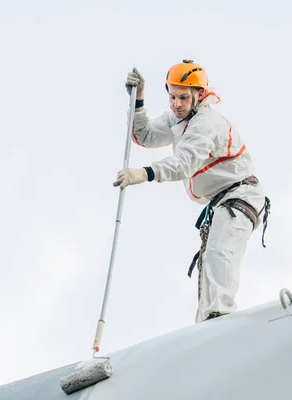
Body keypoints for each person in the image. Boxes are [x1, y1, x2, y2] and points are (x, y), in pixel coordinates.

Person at [113, 60, 270, 323]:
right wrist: (138, 100)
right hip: (221, 202)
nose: (176, 104)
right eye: (172, 96)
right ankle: (208, 323)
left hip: (240, 196)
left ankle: (223, 313)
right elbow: (145, 135)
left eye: (184, 97)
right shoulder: (178, 117)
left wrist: (144, 173)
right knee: (209, 263)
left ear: (199, 95)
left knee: (220, 255)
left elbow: (185, 163)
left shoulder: (206, 122)